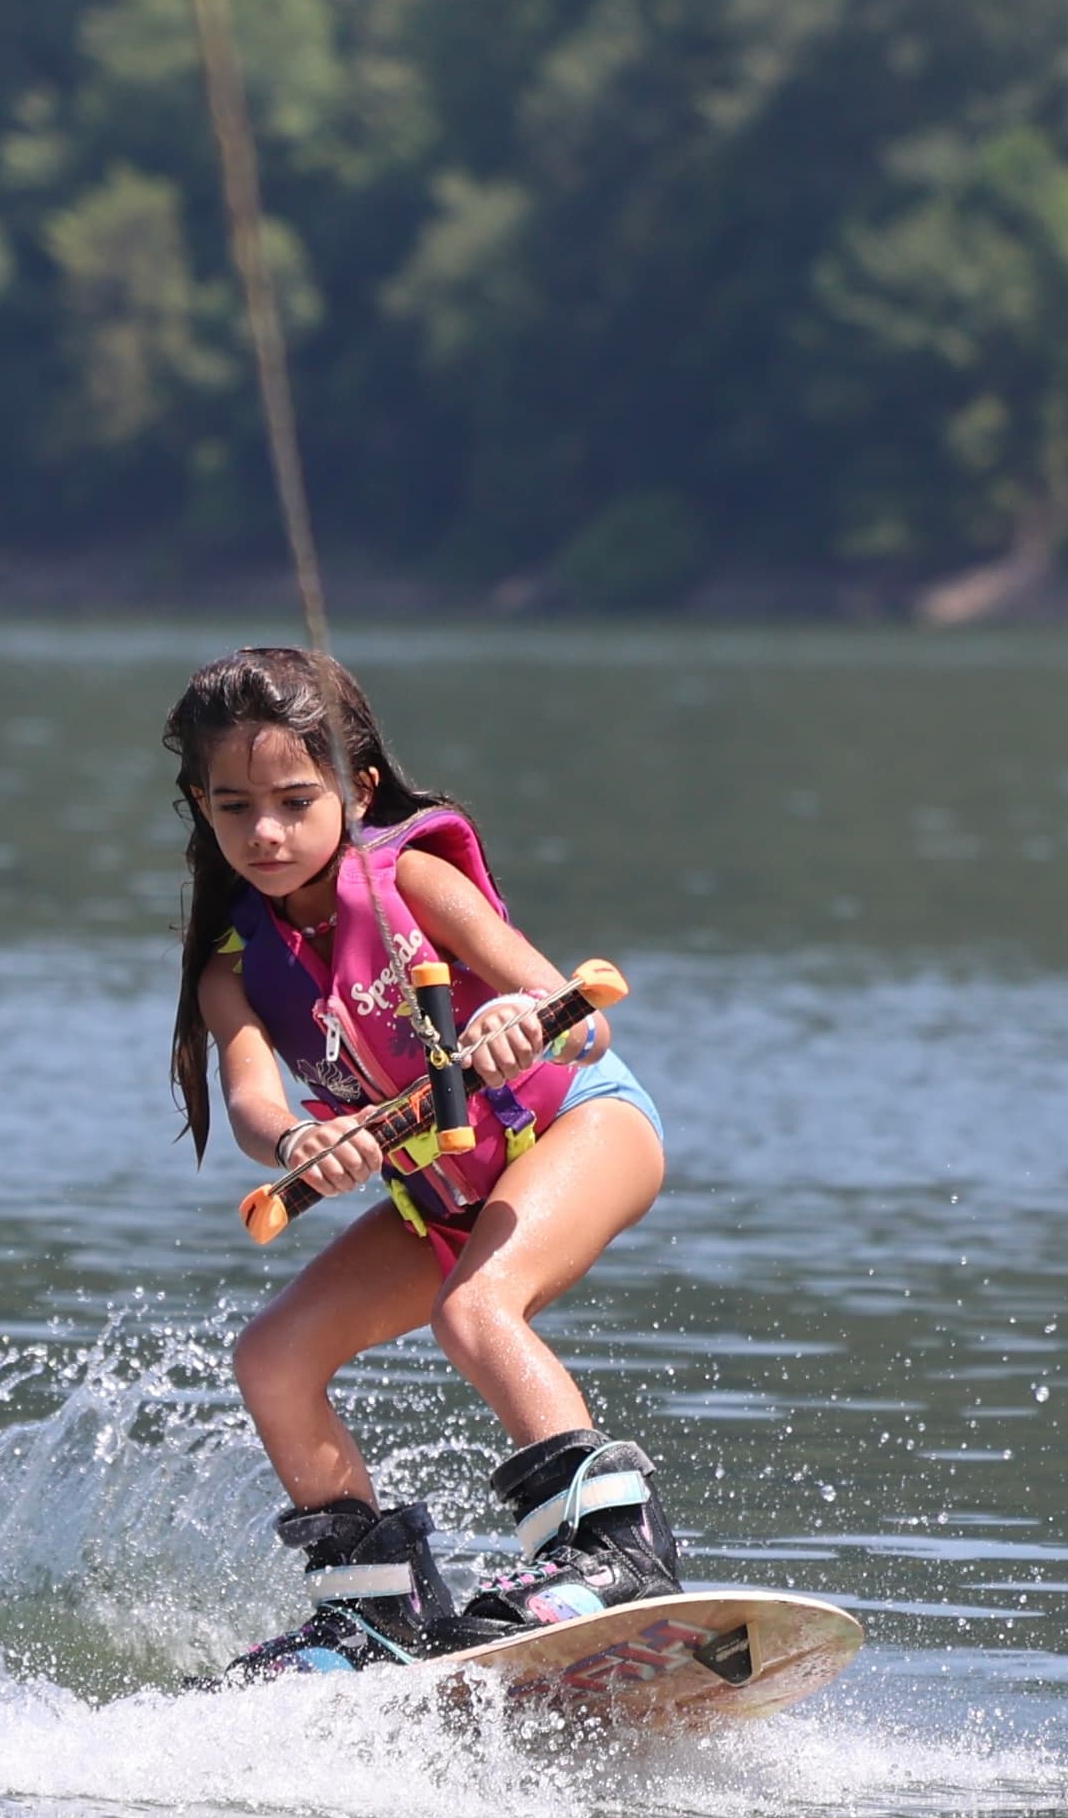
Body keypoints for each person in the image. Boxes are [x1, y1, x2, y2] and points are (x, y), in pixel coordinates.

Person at [165, 645, 682, 1676]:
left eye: (294, 800)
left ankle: (617, 1550)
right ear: (200, 806)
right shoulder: (234, 970)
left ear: (356, 790)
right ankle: (375, 1613)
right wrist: (304, 1142)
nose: (264, 832)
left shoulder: (409, 876)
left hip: (580, 1127)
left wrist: (514, 1022)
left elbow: (577, 1021)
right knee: (271, 1356)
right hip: (438, 1199)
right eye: (232, 807)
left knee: (474, 1313)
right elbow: (256, 1103)